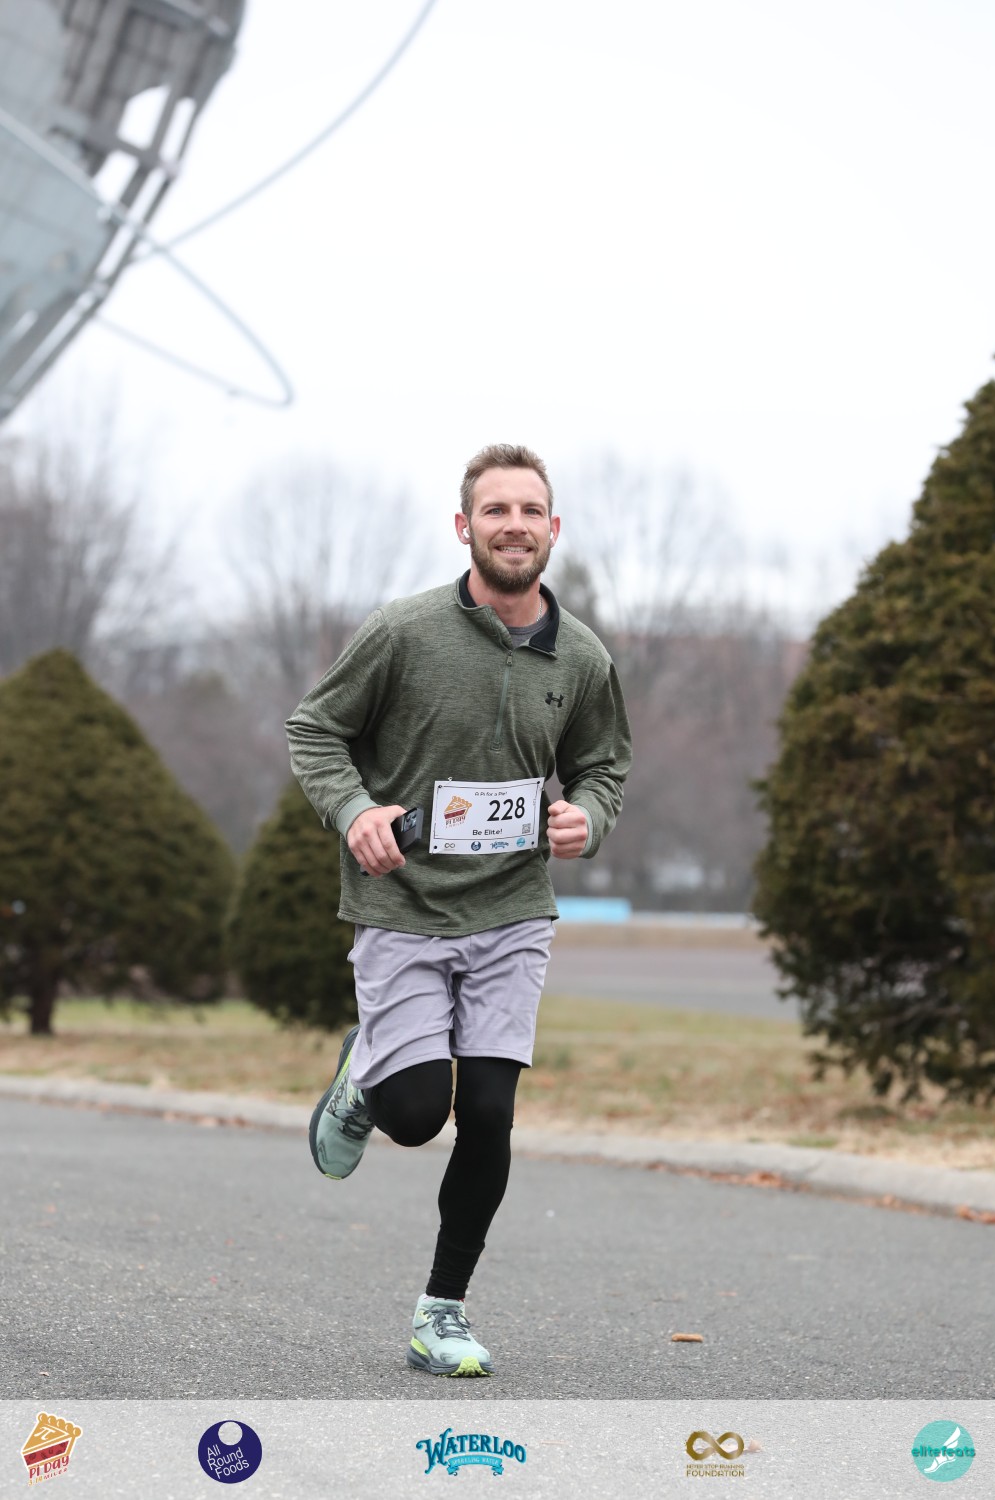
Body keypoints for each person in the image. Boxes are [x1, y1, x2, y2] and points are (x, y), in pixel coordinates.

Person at [286, 442, 631, 1378]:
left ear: (552, 529)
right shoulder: (403, 632)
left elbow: (603, 765)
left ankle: (441, 1310)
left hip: (512, 909)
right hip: (402, 903)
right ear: (463, 527)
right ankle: (366, 1079)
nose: (513, 526)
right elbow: (314, 730)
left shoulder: (582, 657)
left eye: (529, 511)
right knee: (413, 1115)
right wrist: (354, 811)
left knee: (486, 1110)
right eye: (495, 511)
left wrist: (587, 815)